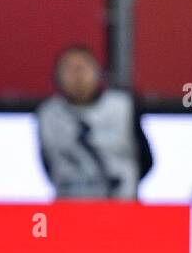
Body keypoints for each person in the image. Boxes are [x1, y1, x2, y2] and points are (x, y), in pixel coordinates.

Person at [37, 45, 152, 199]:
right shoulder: (48, 114)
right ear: (57, 76)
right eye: (69, 69)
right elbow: (47, 164)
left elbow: (146, 160)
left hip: (120, 208)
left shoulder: (123, 107)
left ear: (98, 73)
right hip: (69, 209)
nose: (77, 76)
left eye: (82, 68)